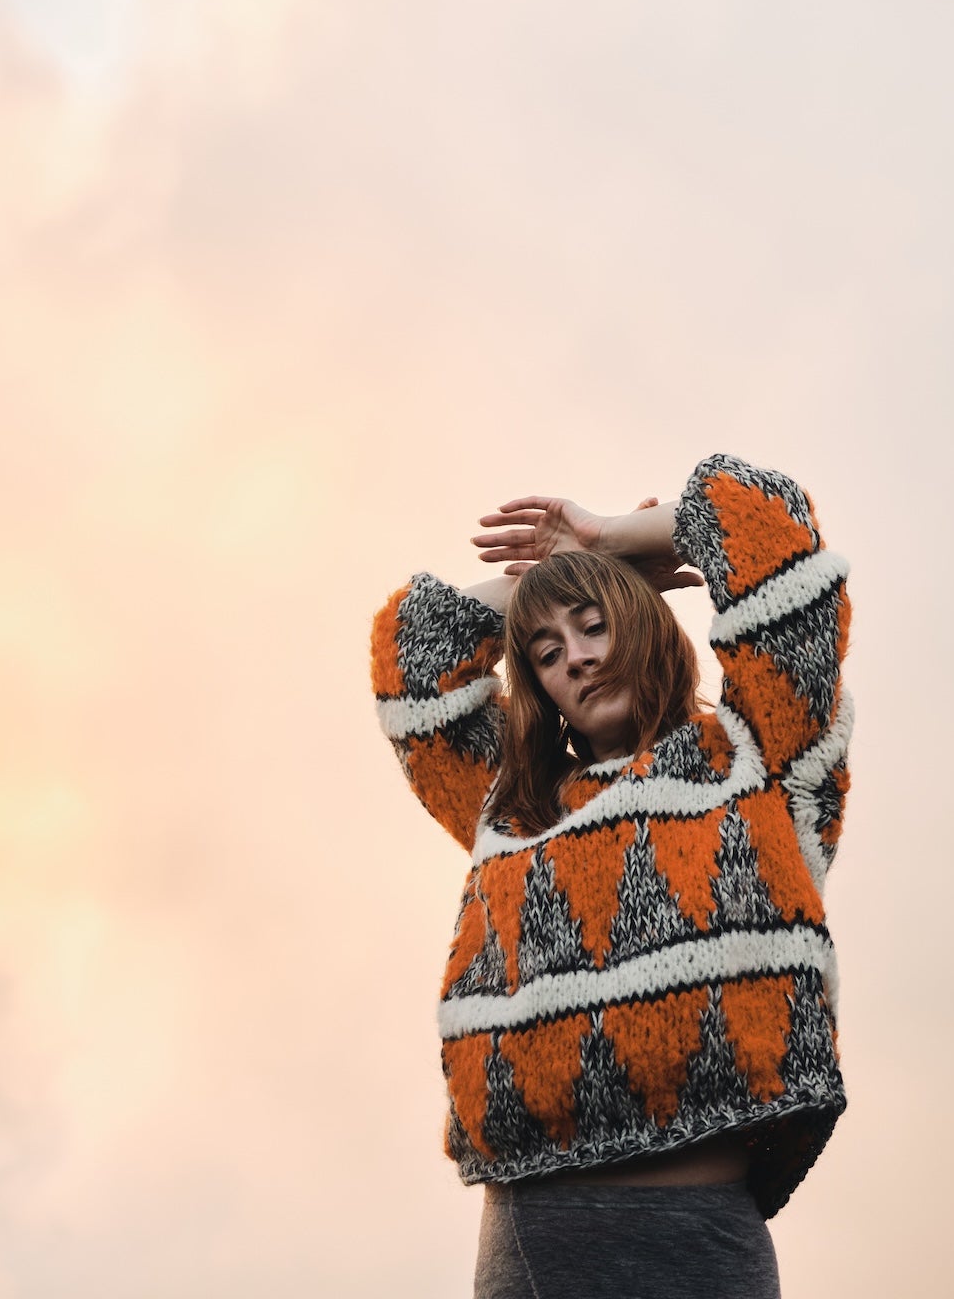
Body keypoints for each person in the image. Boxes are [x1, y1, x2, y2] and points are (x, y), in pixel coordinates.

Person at [370, 452, 853, 1299]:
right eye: (549, 652)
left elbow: (775, 535)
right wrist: (562, 586)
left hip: (708, 1239)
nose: (579, 659)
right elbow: (414, 661)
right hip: (537, 1240)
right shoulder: (512, 807)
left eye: (596, 625)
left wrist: (611, 542)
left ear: (640, 622)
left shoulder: (757, 755)